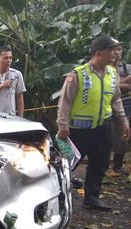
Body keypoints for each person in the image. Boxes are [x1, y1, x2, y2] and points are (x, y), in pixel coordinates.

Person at [56, 35, 131, 211]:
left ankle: (91, 198)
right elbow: (65, 102)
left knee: (100, 163)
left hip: (103, 128)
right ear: (99, 52)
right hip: (76, 131)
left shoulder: (112, 74)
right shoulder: (78, 74)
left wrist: (123, 121)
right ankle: (57, 198)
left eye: (117, 49)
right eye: (112, 49)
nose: (116, 53)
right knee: (66, 163)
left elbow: (116, 100)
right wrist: (63, 126)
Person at [106, 46, 131, 177]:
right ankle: (103, 164)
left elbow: (110, 86)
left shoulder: (127, 67)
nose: (117, 52)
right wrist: (125, 83)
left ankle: (117, 165)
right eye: (114, 49)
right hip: (105, 106)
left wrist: (114, 85)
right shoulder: (101, 68)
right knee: (105, 134)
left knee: (122, 136)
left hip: (125, 104)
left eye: (120, 49)